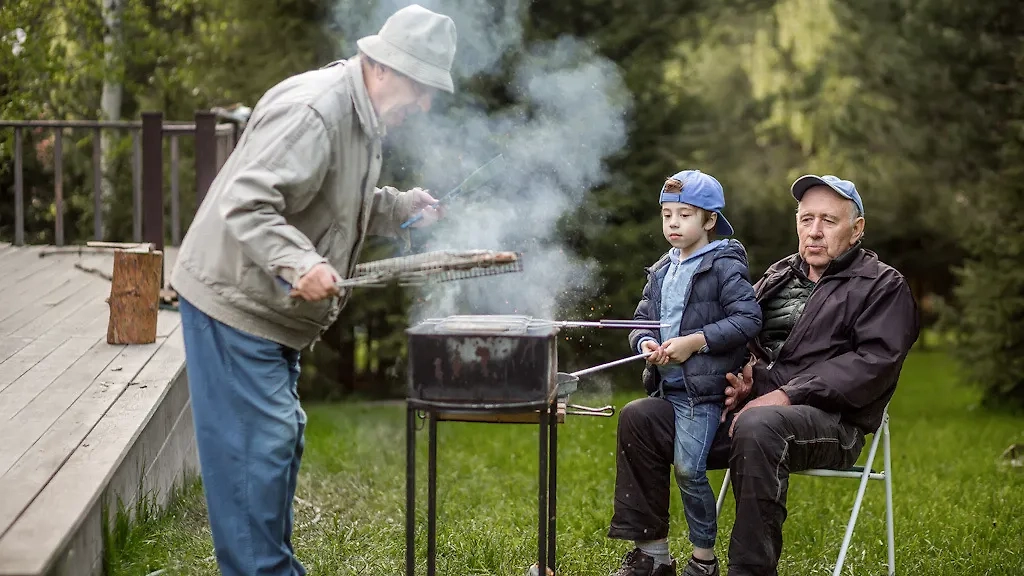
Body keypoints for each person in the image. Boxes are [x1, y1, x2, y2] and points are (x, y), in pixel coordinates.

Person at [169, 5, 458, 575]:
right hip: (237, 302)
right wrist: (300, 262)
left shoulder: (361, 117)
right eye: (422, 90)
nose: (424, 106)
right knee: (260, 449)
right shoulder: (318, 111)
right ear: (385, 67)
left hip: (270, 307)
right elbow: (248, 203)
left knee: (277, 444)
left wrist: (399, 208)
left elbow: (329, 199)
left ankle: (264, 564)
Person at [607, 174, 920, 576]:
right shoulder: (779, 275)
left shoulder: (882, 285)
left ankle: (749, 569)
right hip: (747, 409)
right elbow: (738, 331)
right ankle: (651, 556)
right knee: (642, 417)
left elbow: (873, 364)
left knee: (761, 423)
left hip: (830, 422)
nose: (815, 232)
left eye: (829, 221)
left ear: (857, 229)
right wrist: (740, 376)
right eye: (807, 220)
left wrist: (787, 394)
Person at [616, 170, 762, 576]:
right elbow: (642, 321)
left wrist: (695, 341)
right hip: (669, 390)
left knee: (688, 470)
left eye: (684, 214)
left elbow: (748, 319)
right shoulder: (662, 269)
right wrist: (645, 344)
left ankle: (704, 559)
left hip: (703, 396)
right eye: (667, 215)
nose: (673, 224)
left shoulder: (724, 263)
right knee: (645, 433)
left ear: (709, 221)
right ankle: (652, 554)